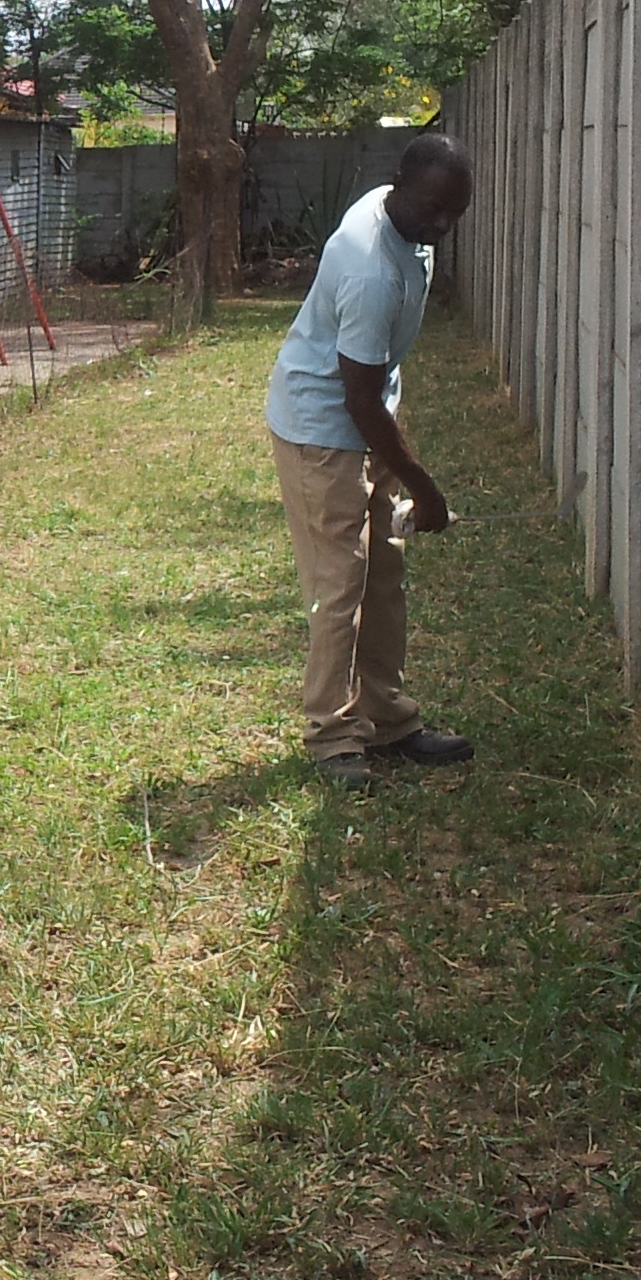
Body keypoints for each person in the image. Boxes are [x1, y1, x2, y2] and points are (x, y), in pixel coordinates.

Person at [264, 132, 479, 790]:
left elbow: (371, 394)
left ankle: (385, 716)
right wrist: (425, 487)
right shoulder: (368, 270)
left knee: (384, 574)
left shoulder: (401, 217)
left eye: (454, 213)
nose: (441, 226)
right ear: (400, 184)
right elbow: (356, 398)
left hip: (366, 422)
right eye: (433, 209)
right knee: (341, 587)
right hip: (322, 431)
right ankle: (332, 736)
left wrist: (396, 469)